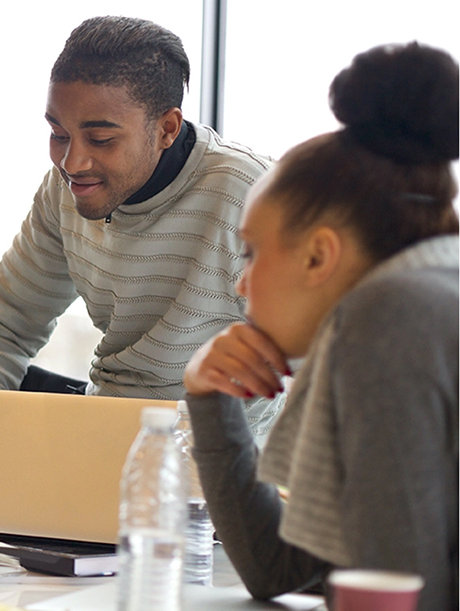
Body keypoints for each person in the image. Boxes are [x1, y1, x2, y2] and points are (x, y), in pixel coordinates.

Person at [0, 15, 281, 535]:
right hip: (101, 425)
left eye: (101, 139)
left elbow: (305, 372)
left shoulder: (251, 196)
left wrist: (203, 469)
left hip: (197, 458)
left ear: (167, 128)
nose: (72, 161)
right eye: (58, 134)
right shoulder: (67, 189)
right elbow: (3, 326)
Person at [182, 42, 458, 611]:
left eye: (253, 252)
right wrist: (211, 401)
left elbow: (397, 594)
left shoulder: (392, 315)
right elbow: (281, 570)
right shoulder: (428, 296)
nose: (241, 284)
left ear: (318, 256)